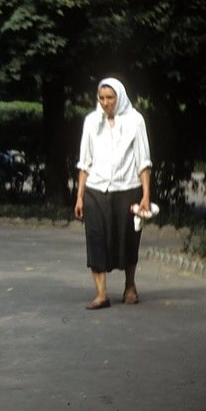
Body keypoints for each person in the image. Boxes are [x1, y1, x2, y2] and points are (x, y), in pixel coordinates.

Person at [74, 77, 153, 310]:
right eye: (101, 98)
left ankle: (130, 286)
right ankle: (101, 294)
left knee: (128, 238)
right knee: (96, 238)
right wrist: (79, 195)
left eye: (110, 98)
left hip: (127, 189)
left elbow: (143, 161)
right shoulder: (91, 122)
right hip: (96, 190)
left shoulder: (135, 120)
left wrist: (146, 195)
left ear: (119, 97)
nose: (106, 103)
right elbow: (84, 162)